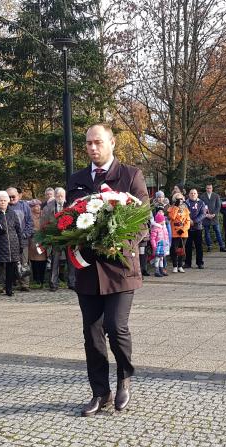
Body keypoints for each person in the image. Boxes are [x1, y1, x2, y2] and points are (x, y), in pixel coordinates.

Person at [66, 123, 148, 417]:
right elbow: (67, 222)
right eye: (88, 143)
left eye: (98, 142)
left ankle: (124, 377)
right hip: (88, 270)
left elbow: (142, 220)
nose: (92, 148)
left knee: (116, 326)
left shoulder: (130, 176)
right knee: (92, 333)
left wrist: (118, 242)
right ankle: (99, 392)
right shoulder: (76, 180)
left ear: (112, 143)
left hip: (120, 268)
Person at [40, 188, 69, 291]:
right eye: (58, 195)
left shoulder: (70, 205)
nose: (60, 197)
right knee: (54, 261)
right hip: (55, 237)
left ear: (64, 196)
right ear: (55, 196)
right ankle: (53, 284)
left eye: (62, 195)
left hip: (69, 237)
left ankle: (72, 282)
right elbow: (43, 223)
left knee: (71, 260)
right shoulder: (48, 207)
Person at [7, 186, 33, 292]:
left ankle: (25, 284)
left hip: (22, 239)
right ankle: (9, 283)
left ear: (18, 196)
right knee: (9, 263)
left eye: (13, 196)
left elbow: (29, 222)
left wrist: (24, 235)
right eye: (9, 197)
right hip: (8, 240)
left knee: (24, 262)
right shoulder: (4, 206)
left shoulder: (24, 206)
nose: (11, 198)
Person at [167, 192, 190, 273]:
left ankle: (180, 265)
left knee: (181, 250)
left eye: (181, 199)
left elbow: (188, 221)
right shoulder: (171, 208)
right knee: (174, 249)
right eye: (178, 199)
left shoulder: (186, 209)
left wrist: (183, 230)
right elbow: (172, 217)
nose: (180, 200)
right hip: (174, 232)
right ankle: (174, 266)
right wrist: (176, 207)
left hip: (183, 232)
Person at [184, 188, 206, 269]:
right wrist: (189, 221)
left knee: (199, 246)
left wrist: (195, 221)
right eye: (191, 193)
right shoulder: (185, 203)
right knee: (188, 246)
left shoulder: (201, 203)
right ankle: (187, 263)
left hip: (198, 228)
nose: (193, 194)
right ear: (189, 194)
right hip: (188, 227)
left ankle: (200, 263)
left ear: (197, 194)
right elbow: (183, 213)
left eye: (194, 193)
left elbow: (203, 214)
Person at [201, 184, 226, 253]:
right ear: (205, 188)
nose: (209, 189)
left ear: (212, 188)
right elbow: (201, 206)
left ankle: (221, 246)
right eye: (207, 188)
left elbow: (218, 206)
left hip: (214, 217)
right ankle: (209, 246)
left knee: (218, 232)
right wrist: (206, 214)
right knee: (207, 233)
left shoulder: (216, 196)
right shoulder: (202, 196)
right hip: (206, 217)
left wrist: (214, 214)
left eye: (210, 188)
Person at [27, 200, 47, 287]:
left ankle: (42, 278)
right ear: (31, 208)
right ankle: (36, 278)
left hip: (43, 240)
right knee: (34, 259)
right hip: (32, 240)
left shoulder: (44, 215)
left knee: (43, 259)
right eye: (35, 206)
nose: (38, 207)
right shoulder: (29, 216)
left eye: (39, 206)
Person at [148, 210, 170, 277]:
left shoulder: (164, 228)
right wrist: (154, 246)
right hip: (158, 245)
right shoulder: (155, 228)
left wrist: (167, 243)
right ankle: (156, 271)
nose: (164, 221)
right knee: (157, 258)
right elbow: (152, 238)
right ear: (160, 221)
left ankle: (161, 269)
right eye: (163, 220)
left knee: (162, 258)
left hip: (163, 244)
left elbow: (166, 236)